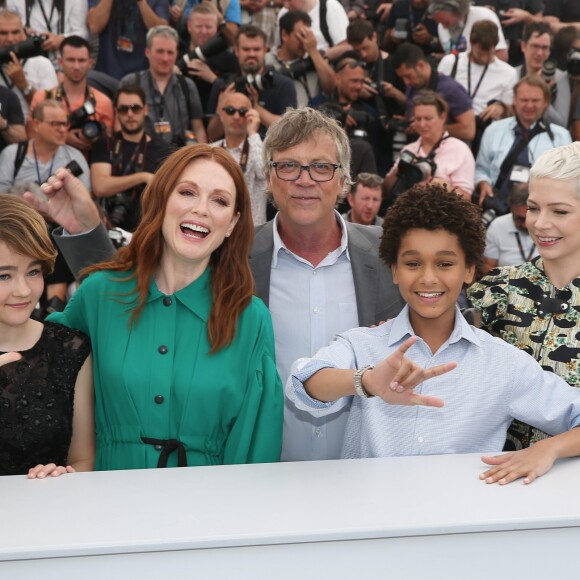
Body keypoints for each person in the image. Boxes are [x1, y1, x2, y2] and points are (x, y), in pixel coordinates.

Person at [28, 107, 404, 463]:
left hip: (361, 469)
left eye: (321, 167)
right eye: (289, 166)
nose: (305, 179)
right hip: (267, 475)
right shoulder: (229, 261)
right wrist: (85, 232)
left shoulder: (390, 259)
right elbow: (121, 298)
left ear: (343, 179)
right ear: (269, 179)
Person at [288, 183, 580, 485]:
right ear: (394, 271)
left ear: (468, 271)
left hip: (462, 525)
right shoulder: (362, 344)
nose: (428, 278)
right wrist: (367, 381)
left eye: (445, 263)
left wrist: (548, 448)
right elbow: (302, 384)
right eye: (413, 263)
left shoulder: (503, 363)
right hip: (370, 523)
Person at [43, 145, 283, 470]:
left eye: (220, 201)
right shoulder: (99, 294)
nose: (201, 209)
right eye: (187, 192)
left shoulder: (251, 319)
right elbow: (45, 378)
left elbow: (257, 446)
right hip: (108, 504)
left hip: (209, 509)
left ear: (232, 223)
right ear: (162, 201)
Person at [469, 142, 580, 451]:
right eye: (533, 208)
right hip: (503, 480)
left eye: (559, 211)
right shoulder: (497, 289)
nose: (540, 223)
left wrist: (549, 450)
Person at [0, 195, 94, 477]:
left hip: (50, 515)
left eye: (33, 271)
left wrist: (63, 476)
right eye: (4, 276)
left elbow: (84, 459)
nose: (23, 290)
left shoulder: (70, 349)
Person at [475, 76, 572, 215]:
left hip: (543, 209)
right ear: (514, 100)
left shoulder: (560, 136)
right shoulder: (493, 130)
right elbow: (481, 168)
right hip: (497, 206)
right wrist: (482, 183)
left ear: (546, 102)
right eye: (524, 100)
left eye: (535, 100)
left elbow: (567, 178)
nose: (529, 105)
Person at [90, 85, 174, 232]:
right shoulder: (106, 143)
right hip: (109, 227)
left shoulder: (164, 150)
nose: (130, 114)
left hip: (148, 230)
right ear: (116, 112)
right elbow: (100, 187)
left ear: (145, 109)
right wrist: (142, 177)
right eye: (123, 109)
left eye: (135, 108)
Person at [206, 25, 297, 141]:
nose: (251, 54)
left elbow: (288, 131)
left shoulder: (284, 84)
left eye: (256, 49)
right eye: (246, 49)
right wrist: (222, 107)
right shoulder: (223, 85)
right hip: (229, 156)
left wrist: (255, 106)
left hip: (269, 154)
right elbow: (212, 136)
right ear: (236, 51)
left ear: (265, 50)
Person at [121, 25, 207, 146]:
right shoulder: (131, 82)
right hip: (141, 155)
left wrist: (201, 157)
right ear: (147, 52)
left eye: (170, 52)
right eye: (160, 51)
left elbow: (198, 128)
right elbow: (118, 125)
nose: (165, 58)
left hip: (178, 157)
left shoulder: (187, 86)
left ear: (177, 54)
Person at [29, 35, 114, 155]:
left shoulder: (103, 102)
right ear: (60, 62)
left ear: (90, 63)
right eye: (70, 60)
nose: (76, 66)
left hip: (90, 167)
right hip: (49, 166)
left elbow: (108, 144)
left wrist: (94, 137)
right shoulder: (43, 97)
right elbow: (31, 137)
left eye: (81, 60)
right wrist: (64, 137)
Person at [384, 90, 475, 201]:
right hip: (408, 211)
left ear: (442, 117)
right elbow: (386, 192)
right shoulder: (409, 149)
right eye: (418, 119)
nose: (422, 124)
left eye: (428, 119)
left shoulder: (459, 149)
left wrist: (445, 187)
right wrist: (400, 170)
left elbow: (466, 199)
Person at [392, 42, 476, 142]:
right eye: (402, 78)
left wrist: (427, 127)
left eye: (408, 76)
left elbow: (469, 131)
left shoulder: (452, 89)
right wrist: (406, 122)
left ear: (420, 65)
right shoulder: (413, 85)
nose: (406, 82)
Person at [210, 91, 267, 225]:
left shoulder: (257, 147)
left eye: (242, 112)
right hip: (218, 229)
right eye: (230, 110)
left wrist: (253, 132)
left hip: (252, 233)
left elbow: (266, 174)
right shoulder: (211, 150)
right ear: (221, 115)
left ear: (250, 115)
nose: (236, 116)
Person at [266, 10, 335, 108]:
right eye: (300, 36)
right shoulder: (268, 60)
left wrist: (314, 52)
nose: (305, 42)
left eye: (307, 36)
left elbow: (330, 88)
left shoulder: (314, 58)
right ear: (284, 35)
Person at [87, 0, 170, 80]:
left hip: (142, 75)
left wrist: (141, 2)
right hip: (107, 70)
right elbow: (95, 26)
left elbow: (161, 33)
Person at [0, 8, 58, 116]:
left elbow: (52, 112)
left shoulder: (42, 64)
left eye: (15, 32)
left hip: (32, 129)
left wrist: (24, 85)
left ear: (25, 34)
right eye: (3, 33)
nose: (10, 38)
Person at [517, 23, 572, 129]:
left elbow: (561, 124)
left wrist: (543, 93)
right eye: (535, 46)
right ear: (523, 46)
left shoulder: (559, 78)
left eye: (545, 48)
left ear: (549, 51)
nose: (539, 53)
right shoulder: (512, 74)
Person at [481, 184, 538, 276]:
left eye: (528, 218)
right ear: (511, 209)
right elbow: (487, 266)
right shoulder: (497, 226)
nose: (524, 224)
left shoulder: (551, 226)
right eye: (519, 219)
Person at [428, 0, 508, 61]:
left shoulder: (484, 17)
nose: (444, 27)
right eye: (439, 22)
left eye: (446, 22)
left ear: (458, 11)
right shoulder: (441, 27)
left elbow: (502, 56)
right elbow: (453, 54)